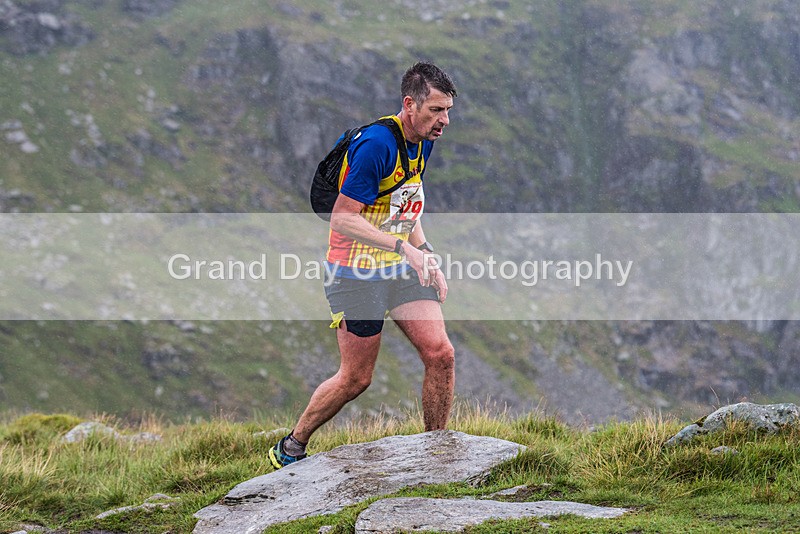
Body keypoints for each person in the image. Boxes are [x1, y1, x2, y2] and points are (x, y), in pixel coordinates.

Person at [269, 62, 458, 468]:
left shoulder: (423, 140)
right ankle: (292, 445)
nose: (444, 121)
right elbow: (343, 217)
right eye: (436, 111)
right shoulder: (377, 145)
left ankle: (436, 454)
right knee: (356, 378)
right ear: (410, 105)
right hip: (353, 273)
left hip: (399, 267)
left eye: (447, 111)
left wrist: (425, 252)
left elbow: (407, 199)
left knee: (441, 354)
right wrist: (402, 248)